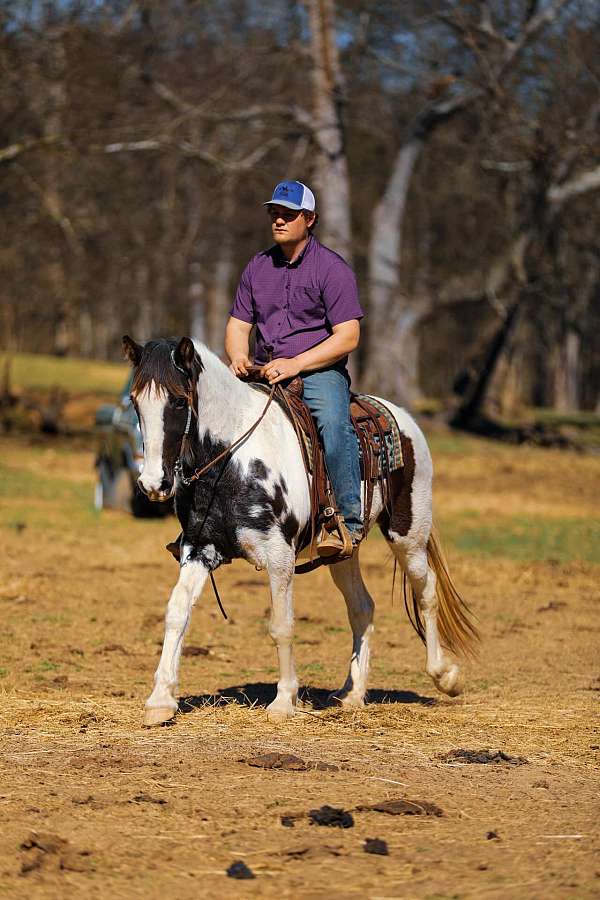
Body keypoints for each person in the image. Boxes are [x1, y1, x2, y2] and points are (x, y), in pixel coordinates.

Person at [225, 179, 364, 559]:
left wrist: (297, 364)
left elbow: (348, 336)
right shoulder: (257, 267)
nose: (279, 221)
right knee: (213, 420)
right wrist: (238, 356)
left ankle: (347, 523)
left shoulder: (332, 269)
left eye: (289, 214)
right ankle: (209, 518)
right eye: (275, 214)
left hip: (318, 372)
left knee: (334, 425)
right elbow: (239, 325)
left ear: (310, 219)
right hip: (264, 370)